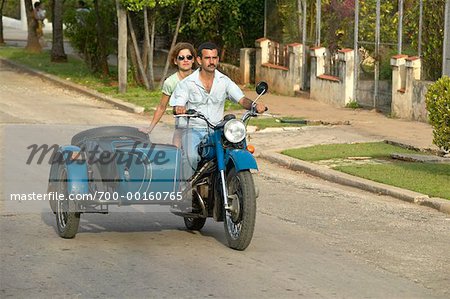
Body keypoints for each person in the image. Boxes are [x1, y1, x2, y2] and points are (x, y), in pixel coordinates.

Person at [169, 42, 266, 179]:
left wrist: (254, 106)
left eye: (214, 58)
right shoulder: (188, 83)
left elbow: (241, 99)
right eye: (207, 58)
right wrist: (179, 108)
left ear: (218, 59)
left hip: (218, 130)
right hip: (195, 130)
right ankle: (185, 189)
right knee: (190, 156)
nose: (211, 61)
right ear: (199, 60)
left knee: (236, 149)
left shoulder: (224, 81)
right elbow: (178, 103)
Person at [140, 42, 196, 147]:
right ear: (175, 61)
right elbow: (162, 107)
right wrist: (150, 128)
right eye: (181, 57)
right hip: (181, 127)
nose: (185, 60)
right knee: (177, 153)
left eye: (189, 57)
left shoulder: (201, 78)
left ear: (193, 60)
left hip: (201, 126)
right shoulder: (170, 82)